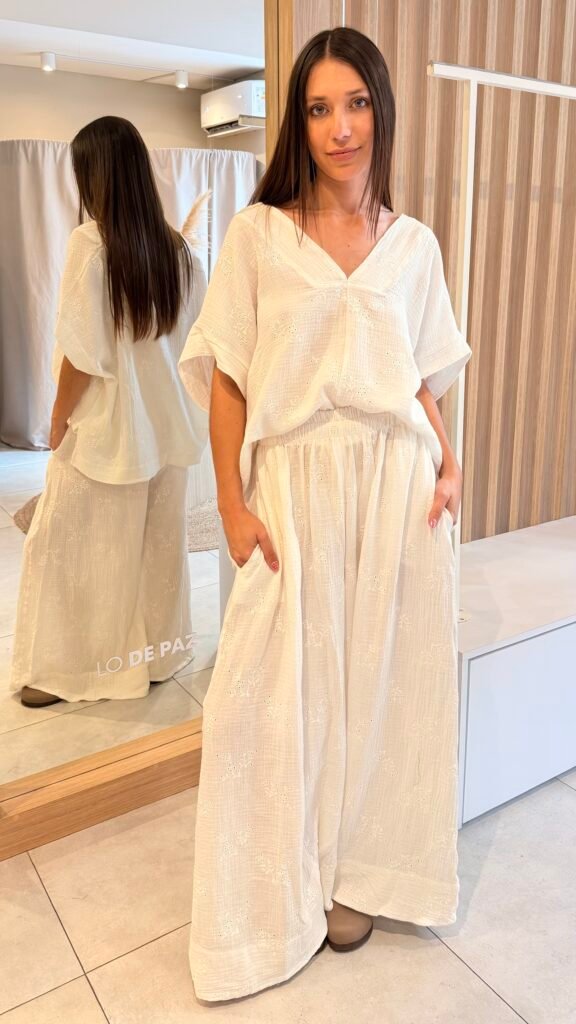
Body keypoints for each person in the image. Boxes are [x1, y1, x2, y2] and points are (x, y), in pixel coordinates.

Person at [178, 26, 472, 1004]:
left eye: (355, 104)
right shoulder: (260, 236)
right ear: (298, 125)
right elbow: (228, 375)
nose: (340, 127)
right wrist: (231, 502)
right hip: (294, 489)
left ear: (380, 111)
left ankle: (359, 874)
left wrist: (449, 461)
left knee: (382, 685)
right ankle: (276, 891)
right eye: (317, 108)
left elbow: (419, 376)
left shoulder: (414, 245)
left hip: (396, 489)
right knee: (269, 696)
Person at [10, 116, 210, 707]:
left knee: (70, 548)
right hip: (167, 429)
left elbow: (81, 355)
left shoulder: (92, 244)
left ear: (94, 176)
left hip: (108, 431)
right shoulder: (180, 252)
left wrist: (56, 422)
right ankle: (155, 657)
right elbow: (192, 344)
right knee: (157, 549)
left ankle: (72, 672)